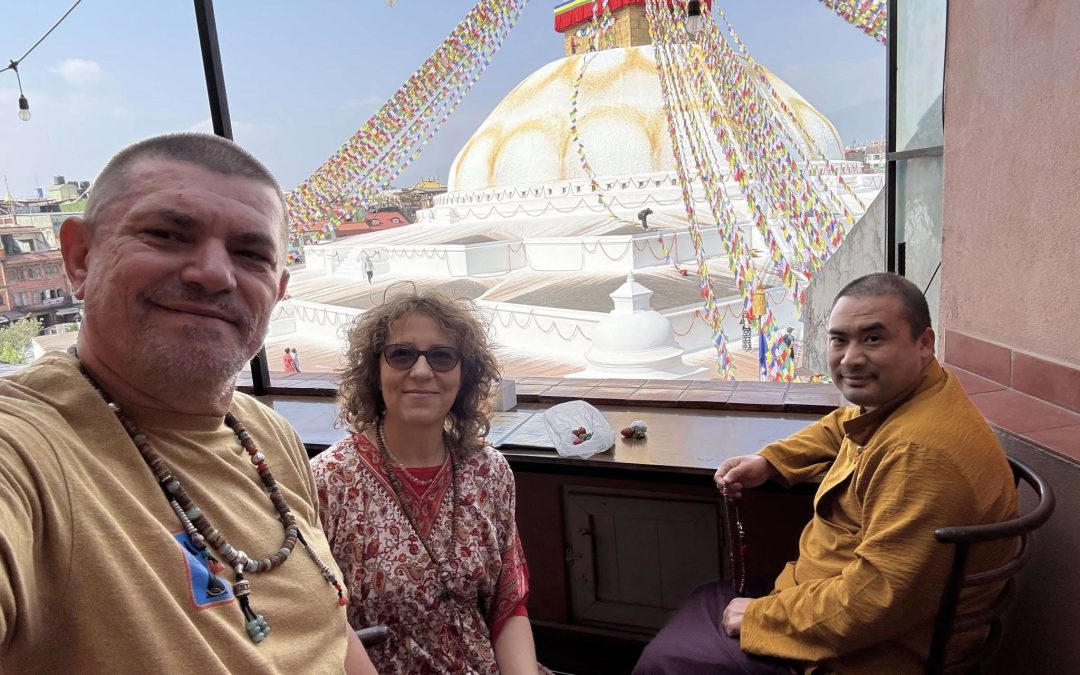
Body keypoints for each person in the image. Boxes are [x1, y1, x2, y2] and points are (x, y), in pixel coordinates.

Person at [0, 133, 374, 674]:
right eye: (168, 235)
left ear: (279, 287)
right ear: (80, 258)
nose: (214, 273)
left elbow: (331, 632)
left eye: (250, 254)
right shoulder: (30, 448)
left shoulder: (270, 437)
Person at [635, 273, 1018, 675]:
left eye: (873, 338)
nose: (850, 358)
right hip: (831, 602)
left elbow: (875, 601)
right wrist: (772, 461)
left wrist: (762, 619)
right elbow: (842, 424)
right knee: (706, 596)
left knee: (665, 662)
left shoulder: (917, 455)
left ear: (924, 344)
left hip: (868, 652)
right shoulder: (916, 396)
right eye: (839, 339)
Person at [312, 291, 543, 674]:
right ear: (375, 371)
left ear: (463, 374)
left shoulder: (490, 472)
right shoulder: (327, 481)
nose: (421, 372)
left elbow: (509, 606)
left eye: (441, 356)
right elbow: (321, 627)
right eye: (402, 355)